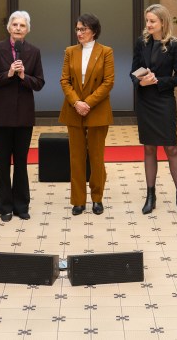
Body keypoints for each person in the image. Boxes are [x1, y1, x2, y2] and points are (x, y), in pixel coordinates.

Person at [0, 10, 45, 222]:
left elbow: (39, 83)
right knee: (3, 163)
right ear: (9, 27)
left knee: (21, 162)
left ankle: (21, 205)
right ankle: (5, 207)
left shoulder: (34, 52)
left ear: (27, 30)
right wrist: (8, 74)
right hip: (1, 115)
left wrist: (24, 76)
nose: (18, 28)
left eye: (22, 25)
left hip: (24, 116)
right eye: (15, 24)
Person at [130, 4, 177, 218]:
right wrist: (141, 81)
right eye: (147, 20)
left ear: (163, 22)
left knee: (171, 148)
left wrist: (158, 81)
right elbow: (133, 71)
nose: (148, 24)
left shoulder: (174, 44)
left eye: (152, 21)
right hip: (145, 101)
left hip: (164, 101)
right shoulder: (141, 42)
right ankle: (150, 197)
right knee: (149, 149)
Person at [59, 13, 114, 216]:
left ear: (94, 31)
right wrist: (76, 102)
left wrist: (87, 103)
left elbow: (108, 82)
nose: (79, 33)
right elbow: (64, 81)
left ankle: (97, 198)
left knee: (96, 157)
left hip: (97, 110)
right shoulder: (70, 51)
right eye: (77, 29)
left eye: (83, 29)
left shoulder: (106, 52)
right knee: (76, 158)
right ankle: (78, 201)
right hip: (74, 110)